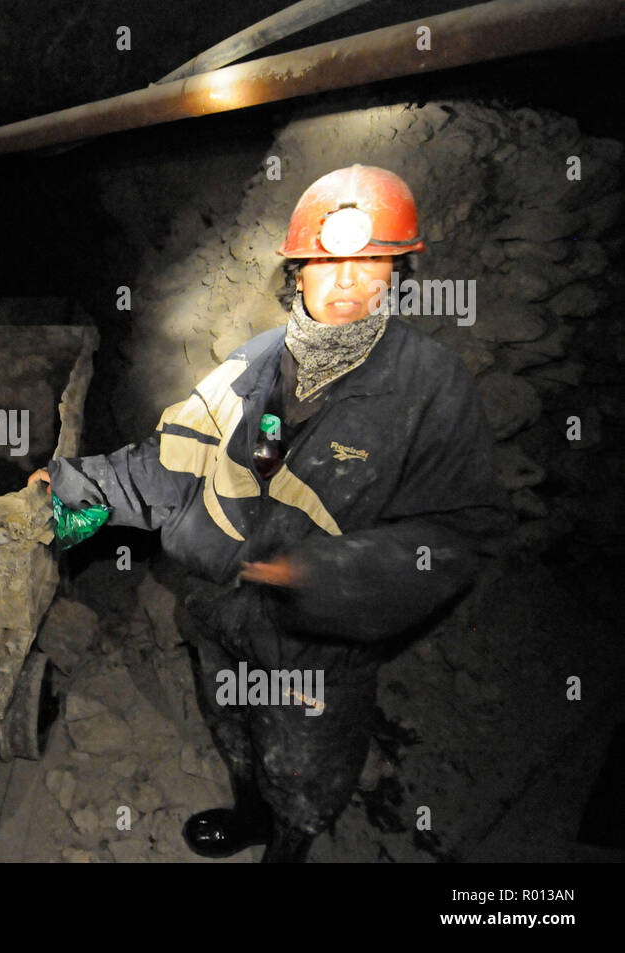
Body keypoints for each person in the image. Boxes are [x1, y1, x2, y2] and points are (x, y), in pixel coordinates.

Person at [30, 165, 514, 862]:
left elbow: (462, 532)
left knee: (305, 772)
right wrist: (73, 484)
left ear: (399, 271)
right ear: (297, 272)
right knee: (235, 728)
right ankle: (251, 815)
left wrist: (327, 576)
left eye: (369, 260)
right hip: (223, 612)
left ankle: (287, 848)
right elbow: (169, 463)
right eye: (328, 261)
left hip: (320, 642)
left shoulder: (430, 386)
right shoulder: (250, 365)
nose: (347, 280)